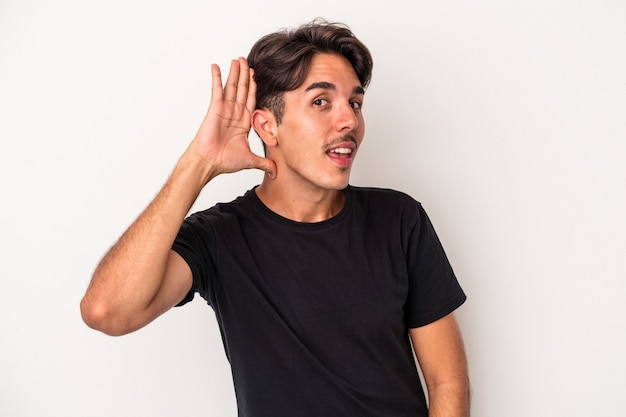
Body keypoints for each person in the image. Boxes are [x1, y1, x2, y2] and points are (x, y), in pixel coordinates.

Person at [80, 19, 470, 417]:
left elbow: (447, 383)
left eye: (354, 103)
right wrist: (198, 164)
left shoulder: (399, 219)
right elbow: (107, 312)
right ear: (267, 126)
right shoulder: (218, 238)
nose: (349, 120)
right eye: (321, 101)